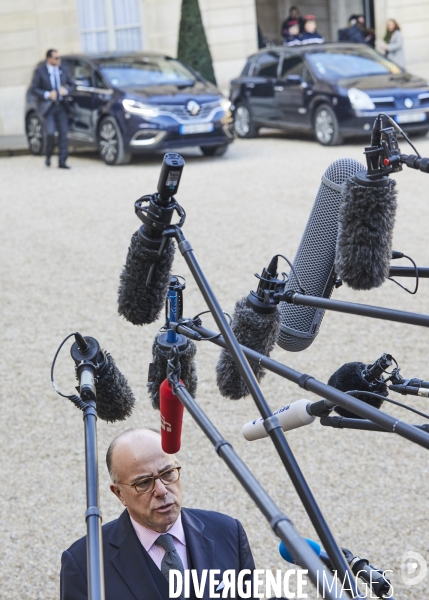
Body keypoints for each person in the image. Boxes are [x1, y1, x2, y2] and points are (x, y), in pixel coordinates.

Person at [60, 428, 256, 600]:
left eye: (168, 473)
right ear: (119, 493)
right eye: (144, 483)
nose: (161, 490)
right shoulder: (84, 563)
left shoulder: (228, 532)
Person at [29, 49, 74, 169]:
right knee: (50, 133)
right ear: (49, 59)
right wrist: (47, 94)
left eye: (59, 58)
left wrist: (66, 90)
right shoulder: (40, 71)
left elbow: (72, 84)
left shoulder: (63, 69)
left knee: (64, 134)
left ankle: (62, 161)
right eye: (56, 58)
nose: (59, 60)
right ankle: (48, 155)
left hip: (62, 106)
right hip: (48, 107)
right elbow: (33, 88)